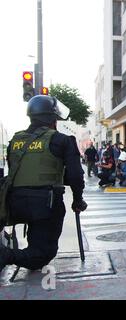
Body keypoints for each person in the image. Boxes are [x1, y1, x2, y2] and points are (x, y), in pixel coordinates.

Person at [0, 95, 87, 273]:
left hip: (14, 203)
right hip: (45, 203)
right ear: (53, 119)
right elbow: (76, 176)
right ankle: (5, 255)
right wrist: (78, 200)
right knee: (42, 255)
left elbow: (21, 172)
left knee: (36, 240)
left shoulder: (15, 141)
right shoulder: (62, 140)